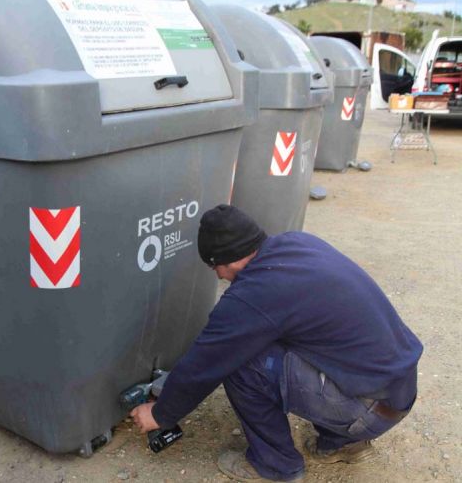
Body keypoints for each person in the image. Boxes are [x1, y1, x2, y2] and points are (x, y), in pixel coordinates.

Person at [131, 205, 423, 482]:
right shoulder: (296, 243)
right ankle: (341, 444)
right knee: (303, 341)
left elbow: (205, 363)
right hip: (397, 391)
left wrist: (160, 414)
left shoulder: (254, 295)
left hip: (365, 409)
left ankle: (275, 465)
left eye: (214, 268)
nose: (218, 276)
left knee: (240, 361)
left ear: (227, 261)